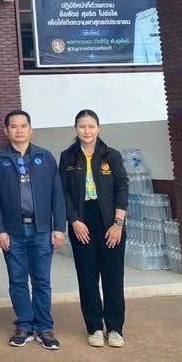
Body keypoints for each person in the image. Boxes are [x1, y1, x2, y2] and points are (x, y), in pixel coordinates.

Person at [0, 110, 66, 350]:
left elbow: (58, 195)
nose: (19, 130)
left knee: (42, 280)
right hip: (13, 232)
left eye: (23, 126)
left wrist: (58, 228)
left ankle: (45, 327)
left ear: (31, 129)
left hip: (42, 230)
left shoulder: (45, 157)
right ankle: (24, 326)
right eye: (14, 126)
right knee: (17, 280)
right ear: (6, 130)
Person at [59, 109, 128, 348]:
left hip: (110, 222)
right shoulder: (67, 157)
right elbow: (63, 193)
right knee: (87, 277)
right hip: (81, 222)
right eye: (82, 126)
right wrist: (74, 221)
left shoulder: (112, 155)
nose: (86, 131)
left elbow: (122, 189)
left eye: (91, 126)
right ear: (75, 129)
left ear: (98, 128)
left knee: (113, 277)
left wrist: (118, 224)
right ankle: (95, 328)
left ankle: (115, 328)